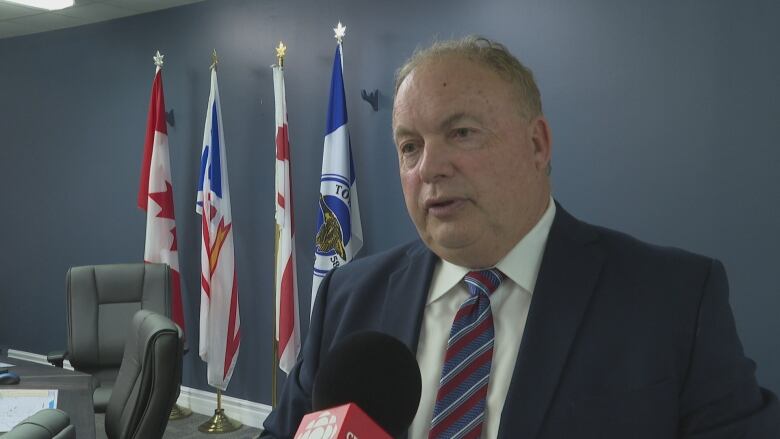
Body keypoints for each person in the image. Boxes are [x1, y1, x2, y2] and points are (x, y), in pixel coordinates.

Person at [261, 36, 780, 438]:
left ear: (537, 145)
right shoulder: (347, 296)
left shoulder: (675, 299)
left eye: (461, 132)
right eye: (409, 146)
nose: (430, 168)